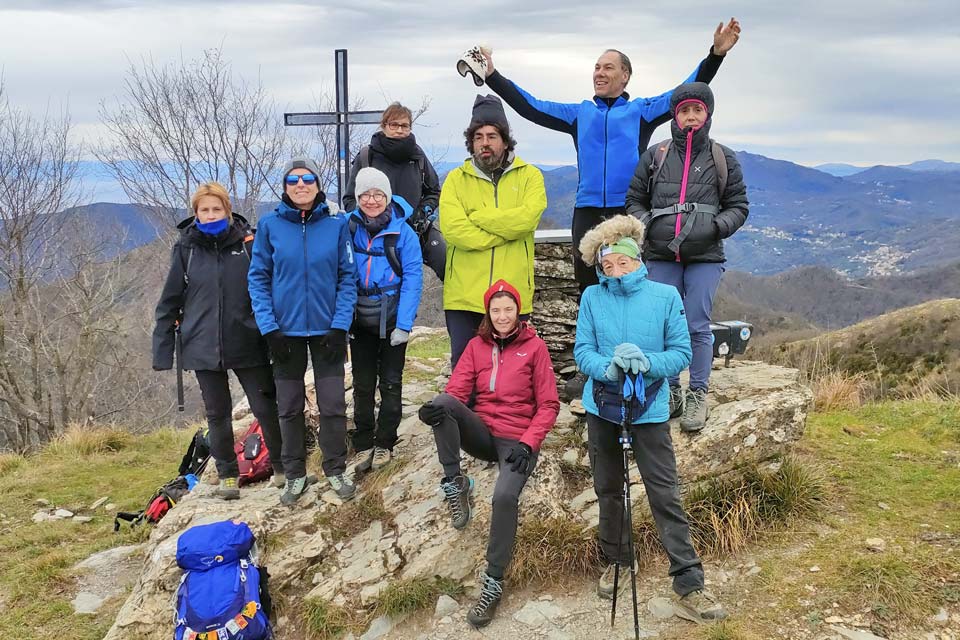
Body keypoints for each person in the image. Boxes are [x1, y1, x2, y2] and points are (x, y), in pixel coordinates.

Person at [480, 19, 741, 294]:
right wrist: (493, 75)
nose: (599, 73)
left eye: (608, 67)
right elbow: (530, 106)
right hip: (586, 211)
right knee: (589, 289)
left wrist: (716, 55)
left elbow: (685, 90)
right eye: (596, 67)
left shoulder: (641, 111)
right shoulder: (578, 113)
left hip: (628, 210)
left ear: (625, 75)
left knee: (631, 287)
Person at [574, 214, 727, 623]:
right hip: (602, 406)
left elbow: (681, 353)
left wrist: (647, 363)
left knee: (664, 492)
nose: (615, 270)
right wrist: (607, 367)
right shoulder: (592, 298)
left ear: (636, 259)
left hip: (650, 409)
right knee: (608, 489)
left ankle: (689, 581)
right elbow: (582, 350)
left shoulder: (664, 297)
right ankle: (619, 561)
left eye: (621, 262)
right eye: (607, 265)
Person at [418, 279, 559, 628]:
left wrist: (530, 443)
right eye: (495, 310)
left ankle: (494, 582)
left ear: (518, 311)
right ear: (487, 312)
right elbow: (457, 390)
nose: (501, 316)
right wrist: (436, 409)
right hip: (482, 432)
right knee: (442, 404)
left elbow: (549, 404)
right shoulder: (476, 347)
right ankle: (456, 482)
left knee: (504, 496)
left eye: (508, 309)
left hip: (517, 439)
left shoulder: (535, 347)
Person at [625, 82, 748, 431]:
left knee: (697, 325)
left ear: (707, 115)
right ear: (674, 117)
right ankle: (670, 389)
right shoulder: (656, 156)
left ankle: (697, 393)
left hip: (706, 256)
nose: (691, 117)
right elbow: (634, 199)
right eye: (684, 111)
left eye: (697, 110)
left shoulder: (723, 158)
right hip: (660, 254)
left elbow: (738, 206)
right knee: (663, 326)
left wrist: (716, 227)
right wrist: (649, 224)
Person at [152, 182, 283, 500]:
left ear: (227, 209)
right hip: (201, 342)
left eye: (217, 209)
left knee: (265, 406)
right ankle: (227, 475)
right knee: (218, 413)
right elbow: (170, 299)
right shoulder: (186, 248)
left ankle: (282, 466)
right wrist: (162, 349)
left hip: (248, 339)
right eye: (204, 210)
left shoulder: (248, 244)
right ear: (195, 214)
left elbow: (271, 288)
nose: (211, 215)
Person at [248, 157, 358, 505]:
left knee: (333, 405)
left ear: (317, 183)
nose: (300, 185)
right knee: (289, 407)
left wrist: (340, 326)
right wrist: (269, 328)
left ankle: (336, 468)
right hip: (285, 333)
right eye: (293, 180)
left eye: (307, 178)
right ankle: (294, 474)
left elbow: (347, 277)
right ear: (285, 186)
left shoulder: (337, 225)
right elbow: (258, 278)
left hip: (328, 330)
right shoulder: (270, 226)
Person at [439, 94, 547, 366]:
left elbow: (527, 219)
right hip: (464, 297)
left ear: (505, 140)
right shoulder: (455, 179)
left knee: (512, 374)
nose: (484, 143)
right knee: (464, 374)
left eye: (491, 136)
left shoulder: (530, 176)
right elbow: (454, 230)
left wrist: (479, 217)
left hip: (512, 296)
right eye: (478, 137)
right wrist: (505, 231)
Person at [346, 167, 423, 472]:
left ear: (388, 196)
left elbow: (414, 278)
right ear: (358, 197)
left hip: (392, 319)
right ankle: (364, 441)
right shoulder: (349, 228)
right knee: (362, 384)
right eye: (365, 194)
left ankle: (385, 443)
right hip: (358, 320)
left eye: (378, 194)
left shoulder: (404, 233)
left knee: (390, 383)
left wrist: (404, 325)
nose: (372, 200)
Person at [341, 102, 441, 235]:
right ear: (384, 126)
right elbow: (350, 199)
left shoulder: (418, 157)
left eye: (404, 126)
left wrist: (420, 214)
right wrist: (368, 218)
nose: (399, 130)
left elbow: (434, 192)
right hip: (371, 237)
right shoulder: (367, 157)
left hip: (412, 233)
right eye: (394, 125)